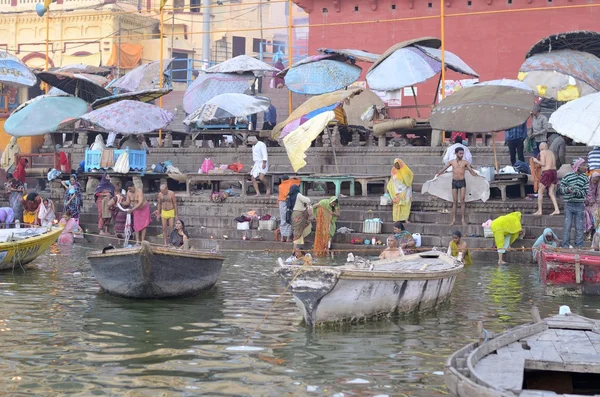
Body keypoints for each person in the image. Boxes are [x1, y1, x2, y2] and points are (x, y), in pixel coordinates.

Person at [436, 147, 478, 225]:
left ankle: (462, 220)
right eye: (460, 153)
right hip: (454, 182)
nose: (462, 155)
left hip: (462, 182)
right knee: (454, 201)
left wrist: (476, 175)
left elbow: (470, 170)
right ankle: (453, 220)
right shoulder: (452, 162)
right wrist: (439, 174)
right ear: (456, 153)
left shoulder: (465, 162)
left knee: (462, 201)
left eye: (462, 153)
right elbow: (444, 168)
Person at [559, 158, 589, 248]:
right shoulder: (568, 176)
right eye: (583, 165)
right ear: (577, 166)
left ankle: (579, 246)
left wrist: (577, 192)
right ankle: (565, 246)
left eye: (585, 165)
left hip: (579, 205)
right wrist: (568, 190)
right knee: (567, 227)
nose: (585, 167)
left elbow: (585, 192)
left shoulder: (585, 178)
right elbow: (561, 189)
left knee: (579, 227)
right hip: (569, 205)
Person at [532, 142, 560, 216]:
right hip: (554, 172)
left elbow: (543, 164)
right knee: (551, 192)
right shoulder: (551, 152)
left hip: (547, 173)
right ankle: (556, 209)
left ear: (541, 148)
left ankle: (539, 210)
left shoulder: (542, 152)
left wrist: (535, 160)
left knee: (540, 191)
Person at [386, 158, 413, 223]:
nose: (397, 167)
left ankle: (405, 219)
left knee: (405, 205)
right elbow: (392, 180)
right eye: (396, 165)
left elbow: (408, 183)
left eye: (398, 165)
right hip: (396, 191)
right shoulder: (393, 170)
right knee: (397, 205)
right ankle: (396, 219)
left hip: (405, 190)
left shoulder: (405, 170)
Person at [286, 184, 312, 248]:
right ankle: (294, 251)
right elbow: (308, 200)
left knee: (307, 224)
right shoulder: (298, 194)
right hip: (299, 214)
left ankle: (304, 238)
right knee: (297, 232)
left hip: (294, 214)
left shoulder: (289, 195)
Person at [277, 176, 300, 242]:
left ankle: (282, 237)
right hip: (290, 202)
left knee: (283, 219)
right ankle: (288, 238)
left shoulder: (281, 186)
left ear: (282, 180)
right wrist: (294, 177)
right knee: (289, 219)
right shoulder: (291, 183)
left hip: (282, 202)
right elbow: (298, 181)